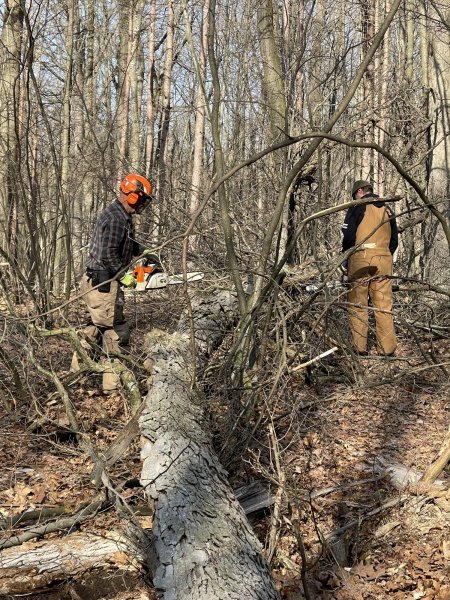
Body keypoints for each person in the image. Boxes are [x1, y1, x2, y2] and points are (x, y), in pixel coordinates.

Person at [72, 173, 153, 391]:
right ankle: (113, 387)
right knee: (116, 333)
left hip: (97, 282)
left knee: (93, 329)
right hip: (104, 283)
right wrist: (124, 276)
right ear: (133, 196)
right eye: (142, 200)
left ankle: (76, 377)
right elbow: (108, 253)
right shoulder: (117, 218)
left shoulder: (119, 215)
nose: (143, 205)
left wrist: (145, 251)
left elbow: (124, 244)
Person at [341, 179, 398, 356]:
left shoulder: (358, 206)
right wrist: (384, 255)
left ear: (359, 192)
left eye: (354, 195)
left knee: (358, 304)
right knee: (383, 305)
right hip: (384, 260)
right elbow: (394, 240)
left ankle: (359, 348)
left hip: (361, 259)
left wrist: (346, 257)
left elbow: (348, 235)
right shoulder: (387, 209)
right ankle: (387, 349)